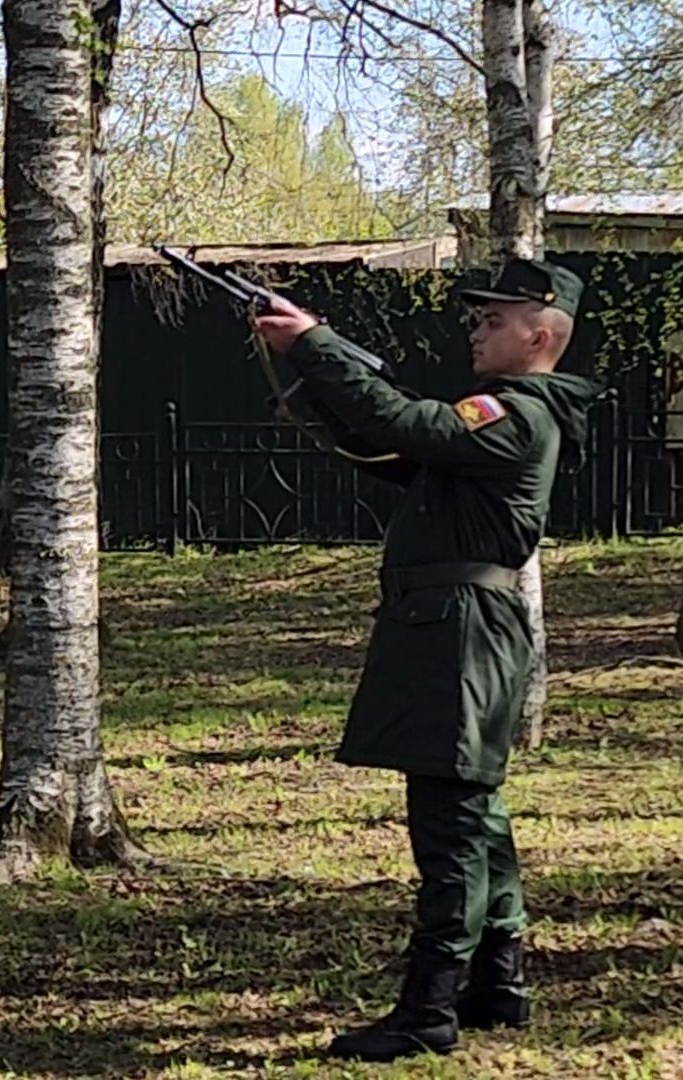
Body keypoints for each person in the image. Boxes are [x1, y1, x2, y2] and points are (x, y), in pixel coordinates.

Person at [251, 259, 603, 1062]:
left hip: (461, 633)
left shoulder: (514, 415)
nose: (476, 332)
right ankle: (498, 982)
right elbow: (389, 441)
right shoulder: (504, 420)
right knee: (474, 813)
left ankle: (430, 1007)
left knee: (450, 826)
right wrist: (307, 376)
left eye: (494, 321)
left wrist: (316, 343)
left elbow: (407, 422)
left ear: (539, 337)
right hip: (453, 626)